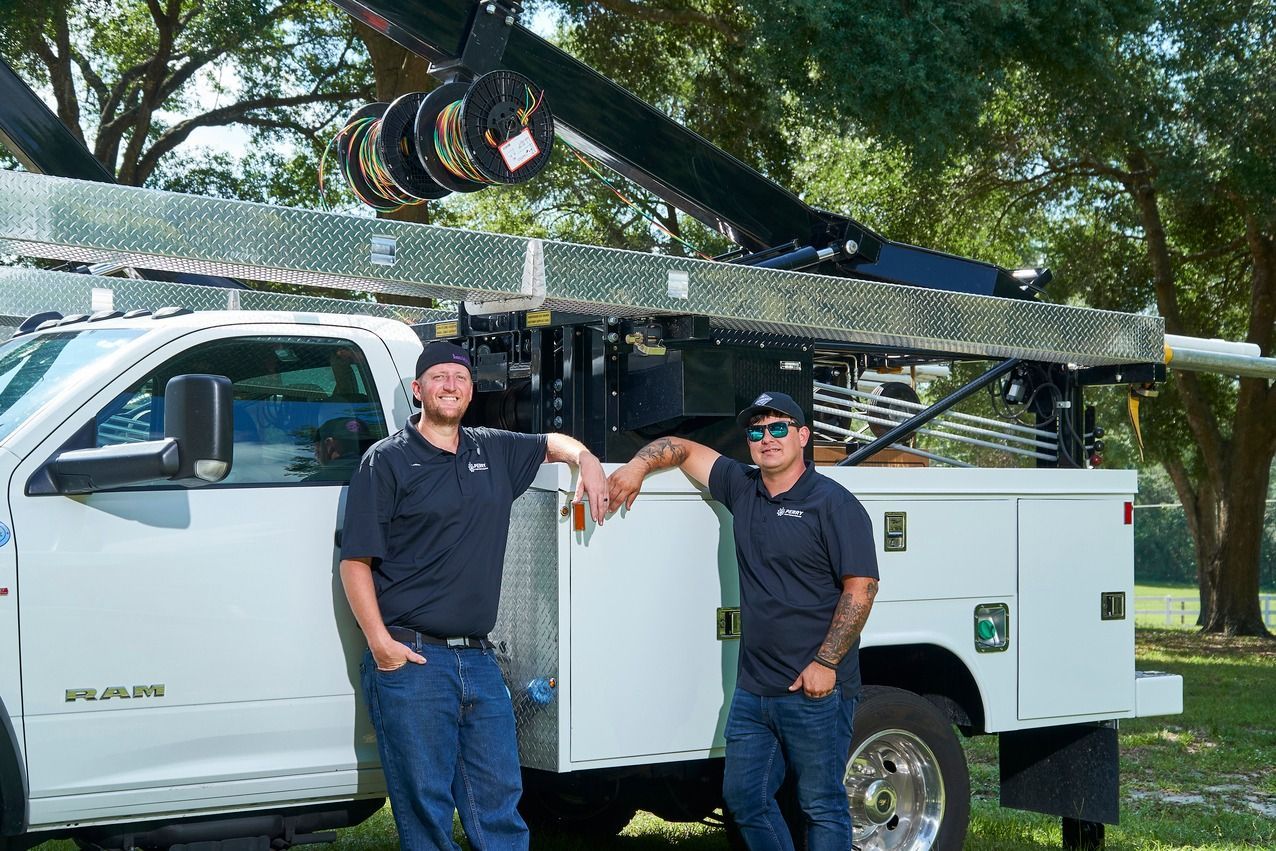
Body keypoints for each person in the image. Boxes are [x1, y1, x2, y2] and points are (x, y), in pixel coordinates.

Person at [339, 341, 608, 851]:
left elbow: (551, 442)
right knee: (427, 811)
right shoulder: (388, 461)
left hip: (479, 661)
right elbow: (356, 563)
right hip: (413, 659)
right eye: (438, 378)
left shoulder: (493, 449)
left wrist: (588, 459)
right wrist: (381, 645)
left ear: (471, 391)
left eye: (459, 379)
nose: (450, 386)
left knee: (500, 806)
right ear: (418, 391)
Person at [607, 391, 879, 851]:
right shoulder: (742, 486)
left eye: (778, 428)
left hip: (813, 691)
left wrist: (826, 663)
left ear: (803, 436)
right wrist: (636, 467)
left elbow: (861, 588)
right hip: (754, 692)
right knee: (744, 799)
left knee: (821, 805)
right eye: (756, 431)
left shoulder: (833, 504)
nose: (766, 438)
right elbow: (684, 448)